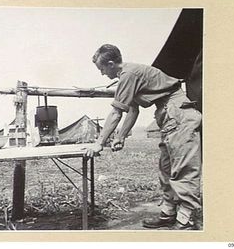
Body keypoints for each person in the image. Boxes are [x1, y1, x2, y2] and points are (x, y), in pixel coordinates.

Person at [85, 44, 202, 230]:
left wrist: (99, 143)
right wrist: (120, 136)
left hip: (177, 114)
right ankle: (169, 213)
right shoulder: (128, 74)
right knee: (167, 168)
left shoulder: (129, 74)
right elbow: (132, 109)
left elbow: (116, 113)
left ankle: (186, 219)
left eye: (102, 69)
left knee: (183, 168)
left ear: (110, 63)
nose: (102, 74)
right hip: (168, 115)